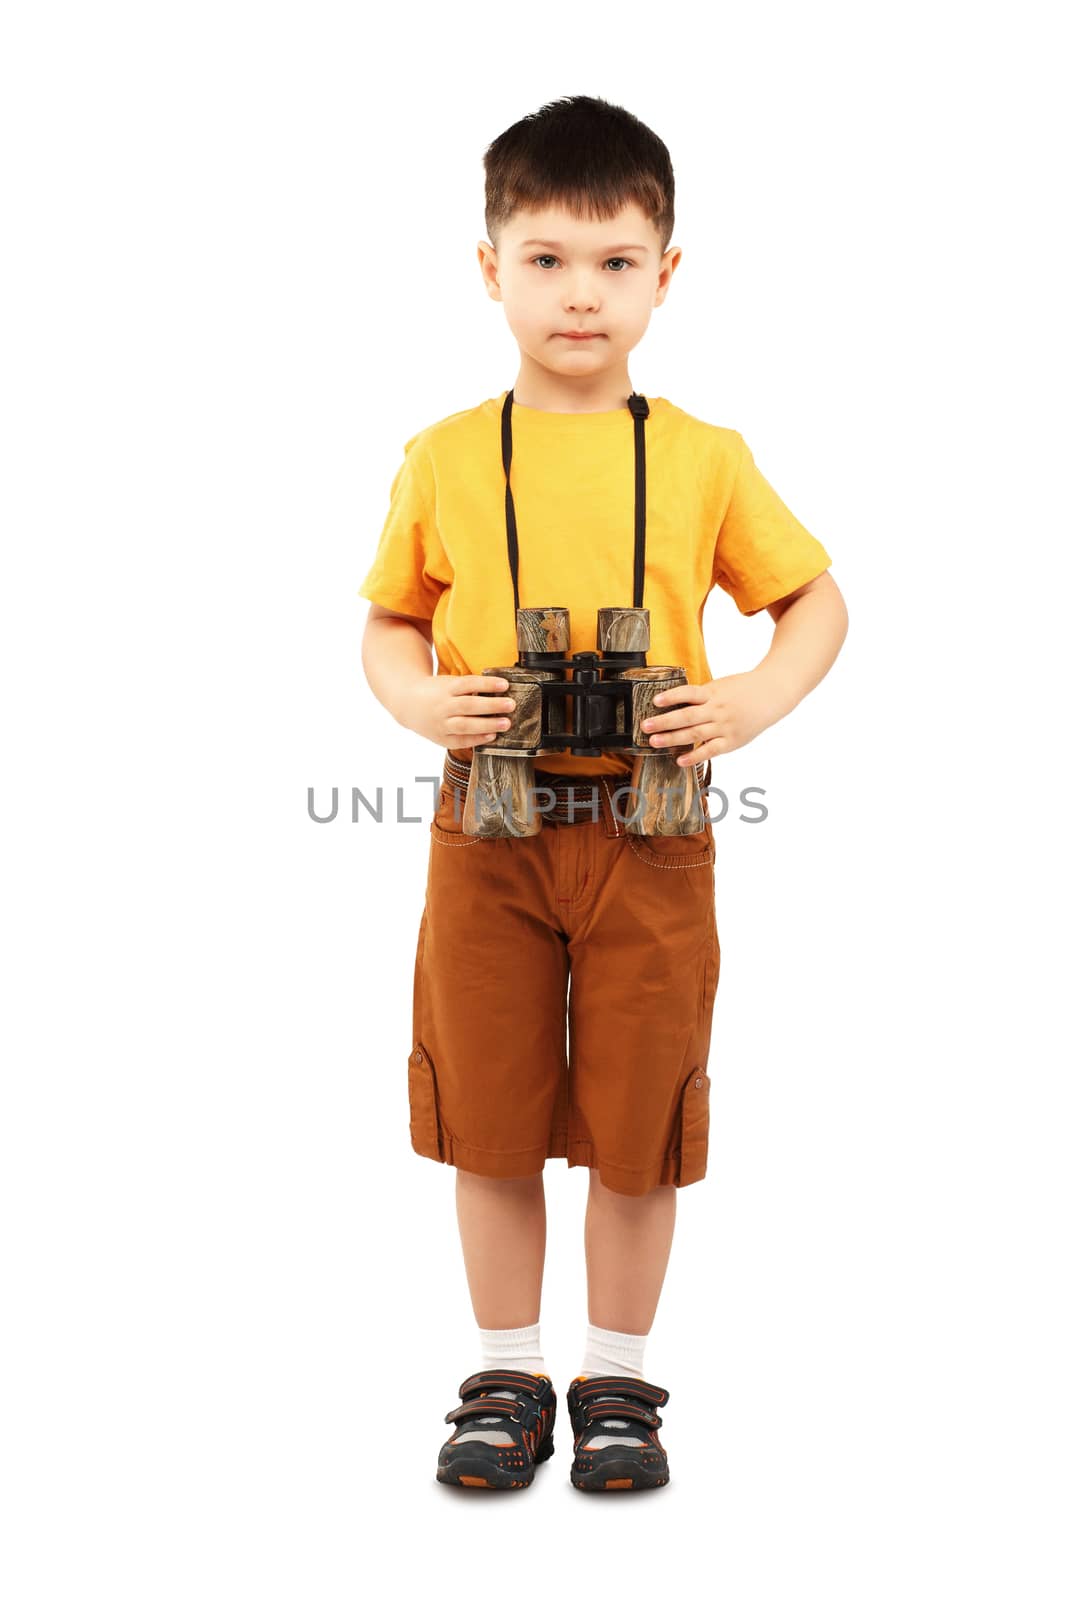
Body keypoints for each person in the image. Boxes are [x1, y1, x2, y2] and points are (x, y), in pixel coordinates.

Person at [358, 94, 848, 1493]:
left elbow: (814, 602)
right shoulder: (447, 456)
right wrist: (409, 697)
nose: (583, 292)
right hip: (488, 830)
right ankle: (505, 1369)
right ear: (490, 266)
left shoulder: (702, 455)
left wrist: (749, 701)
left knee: (638, 1116)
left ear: (667, 273)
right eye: (550, 258)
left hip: (654, 828)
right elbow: (389, 620)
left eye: (617, 260)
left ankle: (620, 1382)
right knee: (493, 1108)